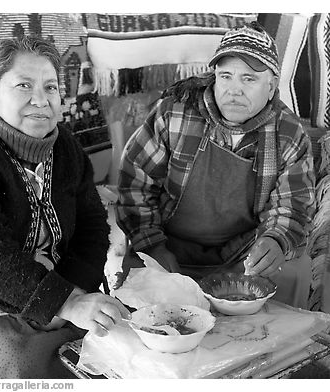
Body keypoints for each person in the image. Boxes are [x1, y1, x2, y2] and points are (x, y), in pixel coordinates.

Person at [0, 35, 130, 379]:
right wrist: (65, 303)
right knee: (24, 370)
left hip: (58, 290)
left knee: (124, 350)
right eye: (23, 86)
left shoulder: (66, 148)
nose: (40, 100)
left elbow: (92, 227)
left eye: (50, 87)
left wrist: (71, 293)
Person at [115, 22, 316, 288]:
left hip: (242, 253)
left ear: (271, 86)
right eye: (226, 76)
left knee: (270, 305)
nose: (234, 90)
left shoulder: (288, 133)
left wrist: (276, 239)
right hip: (165, 246)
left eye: (249, 78)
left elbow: (293, 204)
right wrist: (152, 246)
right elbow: (135, 186)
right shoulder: (174, 114)